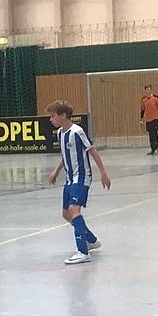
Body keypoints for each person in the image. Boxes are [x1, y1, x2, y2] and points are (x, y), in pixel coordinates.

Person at [46, 100, 111, 265]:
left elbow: (92, 151)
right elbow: (66, 155)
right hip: (70, 178)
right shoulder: (60, 133)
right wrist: (56, 170)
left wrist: (103, 173)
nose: (51, 119)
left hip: (81, 177)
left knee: (74, 212)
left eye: (53, 116)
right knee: (66, 214)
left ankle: (83, 252)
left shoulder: (77, 132)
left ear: (63, 116)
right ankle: (91, 240)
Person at [139, 85, 158, 155]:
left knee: (154, 133)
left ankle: (156, 148)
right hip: (148, 119)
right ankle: (152, 149)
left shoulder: (155, 98)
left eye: (149, 90)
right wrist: (141, 119)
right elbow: (143, 110)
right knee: (150, 134)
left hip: (155, 118)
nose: (148, 91)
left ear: (151, 90)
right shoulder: (144, 99)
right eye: (147, 90)